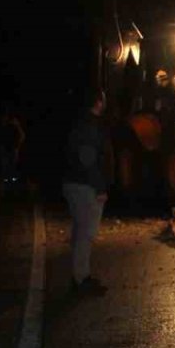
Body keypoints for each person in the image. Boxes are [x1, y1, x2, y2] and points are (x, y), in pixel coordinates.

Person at [62, 89, 111, 295]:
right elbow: (88, 157)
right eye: (103, 99)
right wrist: (100, 187)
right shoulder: (91, 126)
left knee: (79, 231)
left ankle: (79, 275)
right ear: (98, 102)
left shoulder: (79, 122)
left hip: (73, 182)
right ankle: (81, 279)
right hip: (85, 186)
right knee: (86, 233)